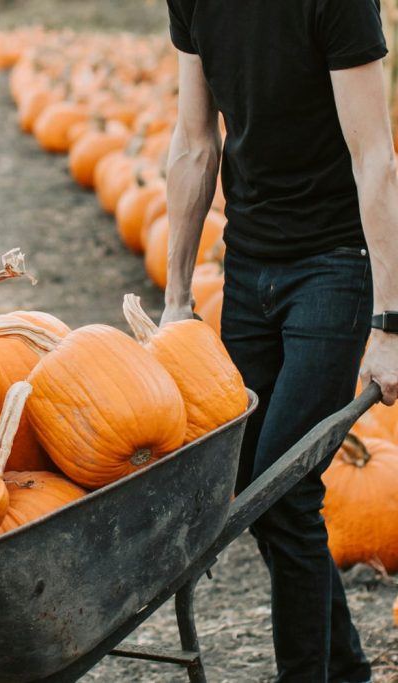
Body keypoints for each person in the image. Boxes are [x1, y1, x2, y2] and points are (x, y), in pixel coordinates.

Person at [160, 1, 398, 681]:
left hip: (333, 265)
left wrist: (390, 323)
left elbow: (375, 157)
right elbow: (194, 141)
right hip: (248, 265)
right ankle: (346, 668)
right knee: (253, 483)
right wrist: (177, 299)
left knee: (285, 487)